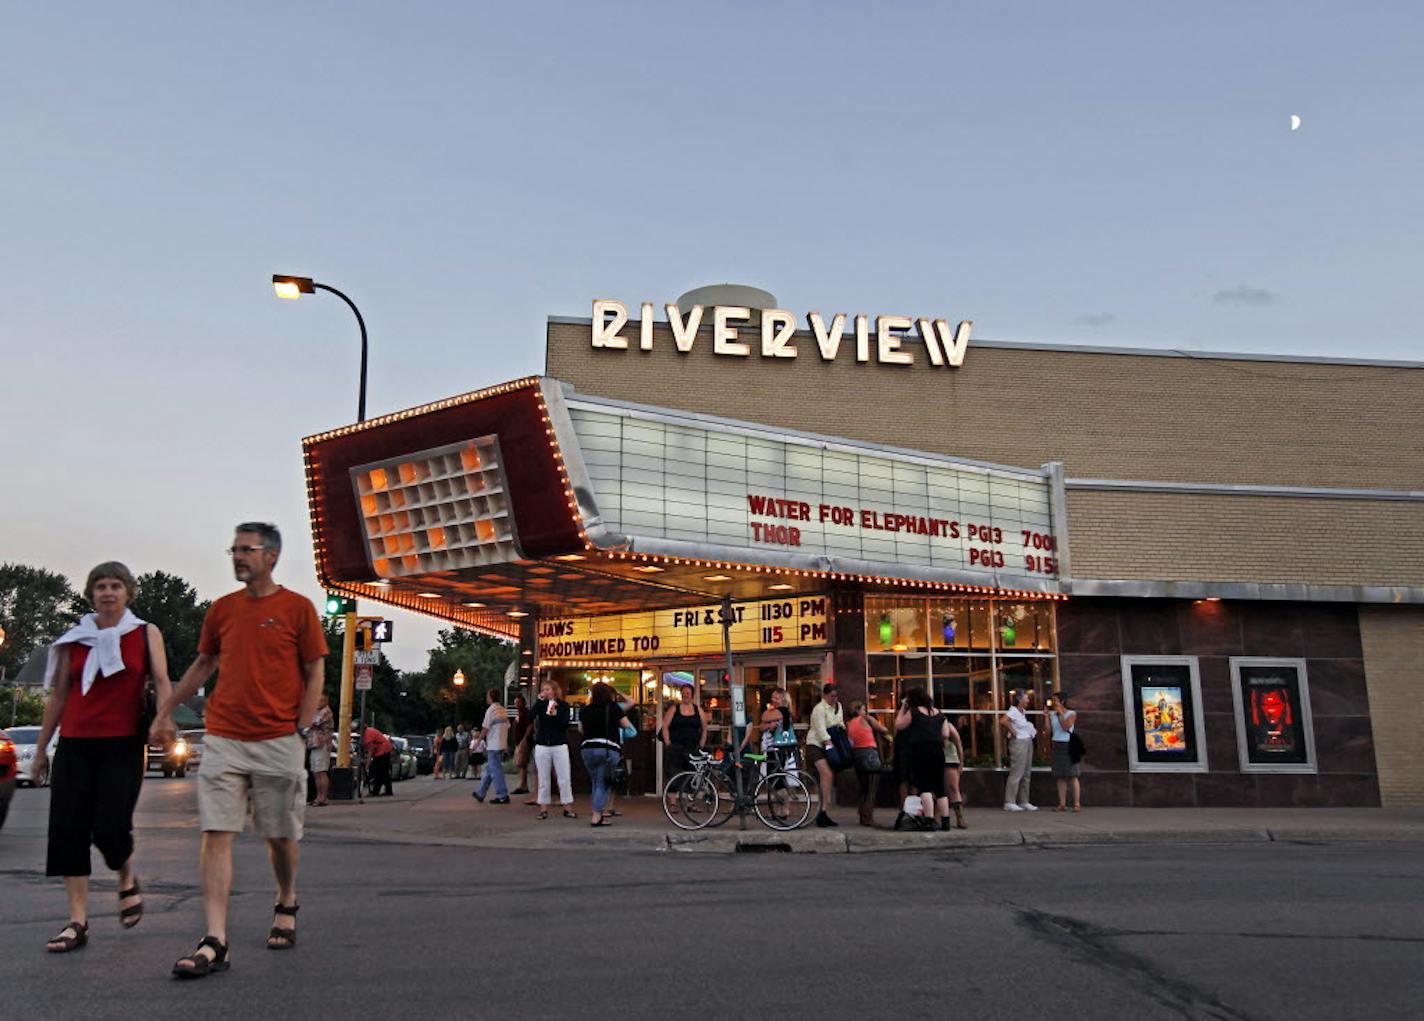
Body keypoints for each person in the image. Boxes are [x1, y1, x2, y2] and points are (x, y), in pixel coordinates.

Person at [152, 523, 327, 978]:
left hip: (278, 738)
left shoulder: (298, 609)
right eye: (233, 549)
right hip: (224, 736)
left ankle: (286, 898)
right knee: (216, 832)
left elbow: (315, 672)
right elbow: (204, 664)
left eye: (246, 550)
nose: (237, 556)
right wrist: (166, 709)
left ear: (271, 556)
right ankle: (215, 940)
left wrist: (301, 728)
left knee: (279, 836)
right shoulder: (222, 611)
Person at [31, 562, 173, 954]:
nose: (107, 592)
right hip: (75, 744)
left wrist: (164, 719)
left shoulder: (145, 633)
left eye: (115, 586)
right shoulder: (75, 638)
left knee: (110, 828)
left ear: (128, 592)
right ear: (91, 593)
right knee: (68, 833)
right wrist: (42, 749)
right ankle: (77, 921)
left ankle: (125, 875)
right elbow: (59, 695)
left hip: (122, 744)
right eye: (100, 586)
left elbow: (161, 680)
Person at [895, 688, 951, 831]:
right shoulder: (938, 713)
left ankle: (929, 820)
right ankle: (945, 821)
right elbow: (946, 733)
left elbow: (899, 725)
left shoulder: (913, 712)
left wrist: (903, 707)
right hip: (938, 752)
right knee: (939, 787)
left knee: (924, 786)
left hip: (920, 751)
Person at [579, 682, 632, 827]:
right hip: (608, 749)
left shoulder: (585, 710)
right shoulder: (613, 708)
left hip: (587, 749)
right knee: (602, 783)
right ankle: (596, 816)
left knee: (596, 782)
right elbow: (627, 725)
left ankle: (598, 814)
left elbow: (581, 729)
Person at [531, 680, 575, 820]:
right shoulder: (541, 705)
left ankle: (567, 807)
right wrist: (538, 703)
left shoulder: (563, 706)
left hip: (559, 744)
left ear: (555, 691)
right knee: (544, 778)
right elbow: (530, 717)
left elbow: (564, 724)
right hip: (543, 744)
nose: (545, 692)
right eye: (544, 689)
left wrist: (555, 714)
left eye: (548, 689)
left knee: (564, 777)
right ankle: (543, 808)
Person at [804, 682, 845, 828]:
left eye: (836, 696)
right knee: (827, 774)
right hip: (815, 744)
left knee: (827, 777)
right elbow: (821, 730)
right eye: (832, 696)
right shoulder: (819, 709)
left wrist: (841, 729)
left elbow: (840, 722)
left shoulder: (838, 706)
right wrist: (830, 745)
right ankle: (822, 812)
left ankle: (823, 810)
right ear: (825, 695)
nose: (834, 699)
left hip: (829, 743)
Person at [847, 700, 888, 827]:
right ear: (859, 710)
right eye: (864, 709)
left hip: (857, 755)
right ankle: (868, 817)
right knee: (871, 788)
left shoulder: (848, 723)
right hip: (870, 754)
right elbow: (884, 729)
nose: (865, 712)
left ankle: (862, 815)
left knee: (863, 787)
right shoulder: (866, 719)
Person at [999, 688, 1038, 812]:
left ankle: (1024, 801)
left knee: (1026, 773)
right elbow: (1003, 720)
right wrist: (1013, 732)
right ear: (1019, 699)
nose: (1028, 700)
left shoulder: (1022, 712)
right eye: (1026, 697)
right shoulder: (1013, 711)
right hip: (1019, 743)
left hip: (1027, 741)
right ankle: (1009, 801)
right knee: (1017, 772)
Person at [658, 683, 707, 777]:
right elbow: (665, 726)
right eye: (683, 693)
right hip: (676, 748)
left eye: (688, 693)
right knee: (676, 775)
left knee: (691, 775)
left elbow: (704, 728)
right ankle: (677, 792)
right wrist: (668, 744)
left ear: (692, 695)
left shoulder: (698, 710)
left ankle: (688, 791)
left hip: (693, 748)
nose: (685, 695)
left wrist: (701, 745)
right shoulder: (674, 709)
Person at [473, 689, 511, 804]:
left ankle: (502, 795)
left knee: (496, 771)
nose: (486, 698)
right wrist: (506, 744)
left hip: (493, 744)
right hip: (501, 743)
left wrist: (477, 742)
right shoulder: (503, 710)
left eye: (487, 696)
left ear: (491, 697)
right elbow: (507, 727)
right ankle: (481, 793)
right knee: (490, 769)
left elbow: (485, 728)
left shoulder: (491, 710)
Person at [1048, 691, 1082, 812]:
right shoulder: (1053, 714)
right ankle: (1062, 803)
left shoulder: (1071, 713)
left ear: (1062, 701)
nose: (1053, 702)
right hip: (1057, 744)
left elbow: (1066, 726)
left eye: (1055, 700)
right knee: (1060, 775)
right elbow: (1049, 730)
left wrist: (1060, 713)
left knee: (1073, 775)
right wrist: (1046, 716)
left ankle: (1076, 803)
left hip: (1069, 744)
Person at [306, 695, 333, 807]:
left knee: (321, 771)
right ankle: (318, 797)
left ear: (324, 701)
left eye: (318, 700)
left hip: (322, 744)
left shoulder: (325, 712)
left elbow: (313, 723)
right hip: (315, 744)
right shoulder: (318, 711)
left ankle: (323, 797)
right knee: (316, 772)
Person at [943, 715, 968, 829]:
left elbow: (959, 745)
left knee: (953, 788)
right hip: (937, 759)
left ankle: (960, 817)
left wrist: (961, 763)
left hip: (950, 759)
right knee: (939, 790)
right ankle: (938, 817)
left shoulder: (949, 727)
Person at [362, 723, 395, 797]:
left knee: (379, 772)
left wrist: (368, 763)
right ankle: (387, 791)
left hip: (383, 751)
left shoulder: (367, 734)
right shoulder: (369, 731)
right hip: (384, 750)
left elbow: (371, 749)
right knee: (384, 772)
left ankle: (376, 791)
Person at [509, 695, 533, 795]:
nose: (516, 704)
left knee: (521, 763)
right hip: (518, 741)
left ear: (523, 703)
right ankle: (524, 785)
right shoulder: (518, 713)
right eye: (515, 702)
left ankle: (522, 785)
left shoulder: (526, 713)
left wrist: (524, 739)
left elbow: (530, 726)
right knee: (519, 763)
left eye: (518, 702)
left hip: (524, 741)